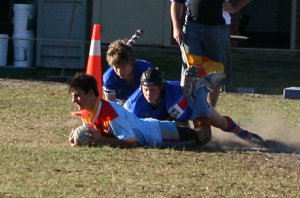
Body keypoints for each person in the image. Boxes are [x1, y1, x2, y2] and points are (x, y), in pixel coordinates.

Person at [124, 67, 266, 146]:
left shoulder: (174, 96)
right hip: (173, 109)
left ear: (161, 87)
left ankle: (246, 135)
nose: (149, 94)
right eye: (145, 89)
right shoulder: (134, 104)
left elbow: (183, 124)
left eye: (153, 89)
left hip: (190, 102)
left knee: (220, 122)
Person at [68, 73, 211, 148]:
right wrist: (78, 136)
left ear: (92, 94)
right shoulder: (87, 112)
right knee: (186, 130)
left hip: (158, 134)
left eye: (78, 95)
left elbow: (131, 143)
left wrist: (101, 140)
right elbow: (93, 132)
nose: (74, 100)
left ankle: (200, 91)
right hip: (148, 126)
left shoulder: (111, 116)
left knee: (203, 137)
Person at [170, 0, 252, 107]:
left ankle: (209, 111)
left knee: (217, 71)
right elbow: (176, 2)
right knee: (190, 71)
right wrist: (176, 27)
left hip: (219, 28)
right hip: (192, 27)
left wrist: (235, 7)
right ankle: (186, 112)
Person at [103, 39, 154, 104]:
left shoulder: (146, 70)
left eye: (123, 67)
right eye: (116, 67)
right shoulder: (109, 78)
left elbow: (155, 97)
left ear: (131, 63)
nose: (119, 72)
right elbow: (111, 106)